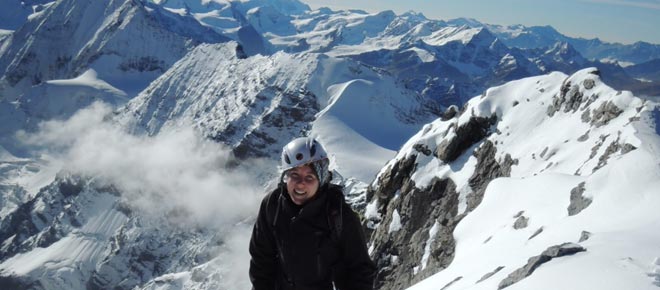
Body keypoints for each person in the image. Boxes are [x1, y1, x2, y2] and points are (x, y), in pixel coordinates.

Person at [249, 137, 376, 290]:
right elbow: (261, 259)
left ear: (321, 179)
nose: (300, 183)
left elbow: (359, 270)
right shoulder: (273, 205)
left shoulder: (338, 215)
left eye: (309, 177)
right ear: (286, 176)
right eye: (294, 174)